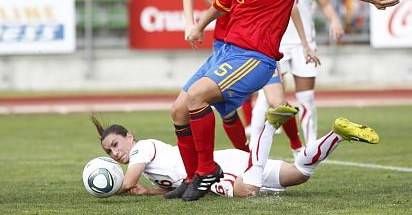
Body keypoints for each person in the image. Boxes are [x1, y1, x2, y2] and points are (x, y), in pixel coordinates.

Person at [172, 0, 398, 202]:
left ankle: (207, 171)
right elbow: (221, 4)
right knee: (178, 110)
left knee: (197, 96)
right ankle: (191, 174)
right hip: (226, 53)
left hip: (254, 59)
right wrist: (197, 26)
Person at [182, 0, 315, 157]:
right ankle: (244, 155)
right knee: (225, 109)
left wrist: (305, 42)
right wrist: (193, 25)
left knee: (277, 101)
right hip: (226, 46)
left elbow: (291, 3)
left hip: (260, 50)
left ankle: (296, 146)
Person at [91, 115, 380, 198]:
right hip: (224, 162)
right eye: (109, 152)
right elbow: (174, 184)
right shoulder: (150, 165)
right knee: (298, 175)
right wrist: (151, 193)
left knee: (247, 191)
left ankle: (268, 126)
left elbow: (126, 183)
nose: (116, 153)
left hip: (219, 168)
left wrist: (105, 187)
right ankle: (338, 134)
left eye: (116, 145)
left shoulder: (141, 148)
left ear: (130, 137)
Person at [249, 0, 345, 148]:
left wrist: (335, 20)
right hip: (276, 45)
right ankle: (255, 146)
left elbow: (325, 5)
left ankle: (311, 146)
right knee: (267, 99)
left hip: (305, 45)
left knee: (306, 99)